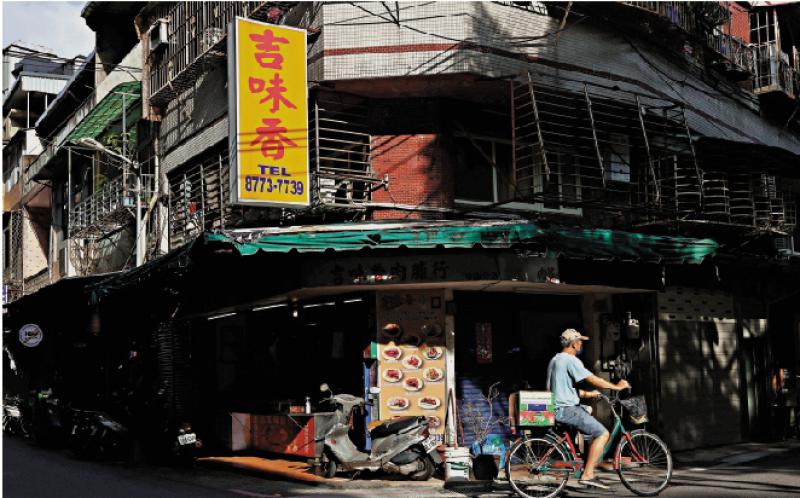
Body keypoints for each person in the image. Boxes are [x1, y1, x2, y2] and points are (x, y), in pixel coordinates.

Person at [546, 329, 631, 489]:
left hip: (557, 407)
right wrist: (616, 386)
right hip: (566, 409)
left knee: (589, 411)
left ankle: (586, 460)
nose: (581, 344)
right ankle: (588, 474)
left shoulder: (555, 359)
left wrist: (589, 394)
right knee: (603, 433)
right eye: (580, 341)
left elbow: (562, 389)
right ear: (573, 343)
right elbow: (592, 379)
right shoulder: (570, 360)